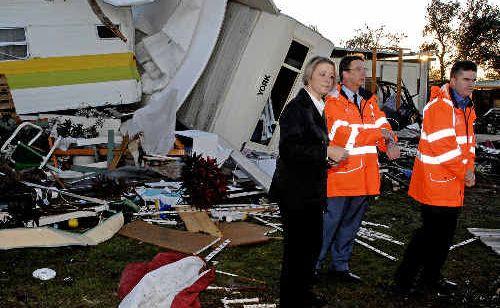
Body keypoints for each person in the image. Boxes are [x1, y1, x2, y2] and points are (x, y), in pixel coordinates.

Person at [394, 61, 477, 294]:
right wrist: (465, 171)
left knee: (444, 237)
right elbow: (445, 148)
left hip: (454, 184)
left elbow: (469, 145)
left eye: (473, 80)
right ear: (453, 80)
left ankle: (430, 278)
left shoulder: (467, 107)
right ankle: (404, 281)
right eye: (466, 79)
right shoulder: (440, 107)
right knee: (428, 237)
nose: (471, 84)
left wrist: (468, 169)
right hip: (436, 184)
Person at [270, 56, 347, 307]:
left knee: (310, 247)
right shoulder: (297, 107)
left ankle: (302, 295)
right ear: (309, 76)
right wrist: (326, 153)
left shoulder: (317, 105)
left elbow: (308, 149)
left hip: (311, 192)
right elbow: (290, 150)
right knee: (297, 252)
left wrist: (327, 160)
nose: (328, 79)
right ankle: (291, 301)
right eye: (323, 74)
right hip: (295, 193)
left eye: (331, 75)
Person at [315, 55, 400, 283]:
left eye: (364, 69)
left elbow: (383, 124)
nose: (364, 74)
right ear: (345, 74)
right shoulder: (332, 101)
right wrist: (378, 135)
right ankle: (313, 266)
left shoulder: (368, 100)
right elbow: (342, 135)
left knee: (351, 225)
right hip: (341, 176)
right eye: (359, 69)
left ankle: (340, 266)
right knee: (328, 224)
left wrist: (389, 141)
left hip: (364, 177)